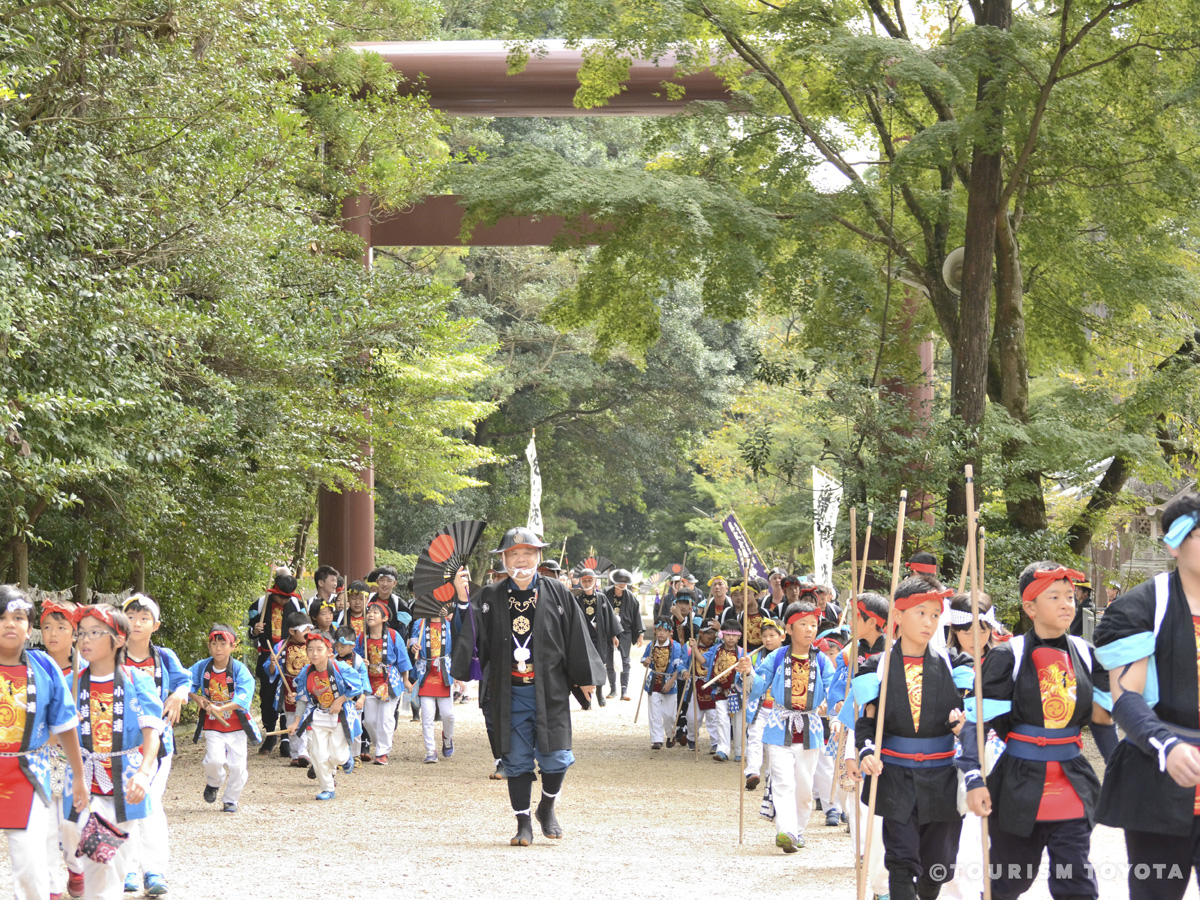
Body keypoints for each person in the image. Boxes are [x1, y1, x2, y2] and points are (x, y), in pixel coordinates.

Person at [959, 562, 1112, 900]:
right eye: (1054, 596)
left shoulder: (1087, 655)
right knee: (1011, 881)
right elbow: (978, 722)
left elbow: (1103, 720)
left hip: (1071, 780)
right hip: (1018, 783)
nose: (1066, 604)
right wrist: (973, 776)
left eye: (1070, 597)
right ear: (1029, 608)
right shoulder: (1006, 657)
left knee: (1077, 883)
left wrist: (1121, 768)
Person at [450, 526, 605, 846]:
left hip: (550, 689)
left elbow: (576, 634)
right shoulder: (491, 596)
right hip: (510, 692)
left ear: (538, 556)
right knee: (516, 760)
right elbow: (472, 635)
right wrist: (464, 602)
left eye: (528, 554)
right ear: (504, 559)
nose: (521, 560)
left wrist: (586, 678)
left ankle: (546, 807)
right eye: (514, 554)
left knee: (558, 757)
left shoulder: (558, 592)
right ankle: (523, 822)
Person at [1092, 492, 1200, 899]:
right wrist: (1166, 745)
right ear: (1173, 543)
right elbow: (1125, 697)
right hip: (1158, 780)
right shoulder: (1141, 607)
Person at [845, 577, 974, 900]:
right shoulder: (875, 668)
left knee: (938, 865)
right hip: (896, 775)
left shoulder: (957, 666)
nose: (929, 622)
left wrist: (966, 725)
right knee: (900, 860)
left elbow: (973, 714)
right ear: (898, 616)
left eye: (935, 614)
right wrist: (866, 751)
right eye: (920, 613)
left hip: (942, 775)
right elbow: (867, 722)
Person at [67, 605, 164, 900]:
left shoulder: (138, 681)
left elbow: (152, 734)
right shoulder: (73, 682)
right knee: (89, 846)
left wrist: (145, 773)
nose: (85, 640)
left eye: (95, 633)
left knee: (112, 863)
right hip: (84, 780)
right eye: (81, 633)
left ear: (119, 639)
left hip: (126, 782)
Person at [0, 588, 86, 900]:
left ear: (29, 627)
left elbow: (65, 724)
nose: (10, 624)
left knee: (29, 862)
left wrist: (78, 776)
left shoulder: (45, 667)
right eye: (2, 617)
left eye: (18, 617)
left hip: (28, 774)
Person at [742, 601, 836, 852]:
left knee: (804, 788)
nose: (809, 630)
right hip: (778, 725)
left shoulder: (823, 661)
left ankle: (799, 831)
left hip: (810, 728)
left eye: (813, 625)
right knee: (783, 781)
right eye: (803, 624)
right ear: (790, 629)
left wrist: (828, 703)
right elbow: (759, 687)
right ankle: (786, 831)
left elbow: (832, 690)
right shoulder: (777, 656)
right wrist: (749, 672)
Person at [120, 595, 191, 896]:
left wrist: (177, 695)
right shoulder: (110, 653)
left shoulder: (164, 657)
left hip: (158, 744)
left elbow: (185, 682)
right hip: (119, 746)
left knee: (149, 804)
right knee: (122, 807)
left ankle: (154, 870)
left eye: (144, 617)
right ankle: (124, 870)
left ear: (156, 625)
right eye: (131, 616)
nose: (137, 622)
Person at [36, 598, 86, 900]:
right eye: (47, 627)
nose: (53, 633)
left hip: (79, 758)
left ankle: (76, 867)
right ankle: (52, 886)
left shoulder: (88, 672)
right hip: (42, 756)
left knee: (71, 824)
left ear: (75, 632)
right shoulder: (33, 668)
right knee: (45, 827)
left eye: (61, 627)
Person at [188, 624, 260, 813]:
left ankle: (231, 800)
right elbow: (184, 683)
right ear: (209, 646)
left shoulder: (239, 669)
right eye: (214, 644)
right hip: (213, 725)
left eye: (223, 643)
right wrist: (199, 699)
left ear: (233, 646)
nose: (218, 648)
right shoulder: (202, 667)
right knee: (214, 760)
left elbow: (243, 697)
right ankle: (214, 782)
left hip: (236, 725)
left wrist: (219, 708)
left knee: (238, 767)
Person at [288, 632, 363, 800]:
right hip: (317, 715)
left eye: (319, 649)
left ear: (329, 651)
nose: (314, 654)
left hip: (339, 715)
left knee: (336, 755)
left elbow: (357, 687)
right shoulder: (305, 672)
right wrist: (296, 722)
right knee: (317, 753)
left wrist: (341, 700)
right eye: (310, 650)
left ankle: (345, 759)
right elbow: (302, 699)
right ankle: (327, 788)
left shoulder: (340, 668)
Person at [247, 569, 304, 756]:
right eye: (281, 597)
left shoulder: (297, 604)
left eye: (287, 598)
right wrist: (255, 631)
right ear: (273, 590)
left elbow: (305, 629)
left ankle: (286, 738)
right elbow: (251, 634)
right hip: (268, 655)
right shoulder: (259, 605)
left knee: (290, 694)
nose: (284, 601)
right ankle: (270, 733)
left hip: (292, 655)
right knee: (268, 696)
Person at [356, 600, 412, 765]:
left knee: (386, 718)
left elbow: (403, 659)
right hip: (369, 684)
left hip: (389, 682)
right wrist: (361, 663)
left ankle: (382, 752)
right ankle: (380, 743)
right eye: (369, 612)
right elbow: (355, 660)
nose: (370, 615)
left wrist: (406, 680)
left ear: (384, 618)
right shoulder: (362, 637)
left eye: (375, 612)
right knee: (369, 721)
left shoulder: (394, 636)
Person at [410, 588, 462, 763]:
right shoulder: (420, 623)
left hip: (444, 671)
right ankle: (430, 749)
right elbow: (412, 641)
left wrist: (459, 674)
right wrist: (413, 647)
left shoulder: (449, 624)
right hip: (425, 670)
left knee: (449, 714)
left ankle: (447, 738)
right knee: (427, 714)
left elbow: (457, 649)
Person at [743, 616, 783, 790]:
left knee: (775, 744)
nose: (767, 639)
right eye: (764, 635)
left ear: (782, 636)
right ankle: (752, 772)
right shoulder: (754, 657)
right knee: (754, 739)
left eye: (772, 635)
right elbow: (745, 682)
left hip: (780, 709)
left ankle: (771, 774)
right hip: (759, 707)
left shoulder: (787, 656)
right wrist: (745, 671)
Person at [269, 612, 312, 768]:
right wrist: (273, 665)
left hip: (309, 686)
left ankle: (305, 752)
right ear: (292, 631)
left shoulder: (313, 644)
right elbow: (272, 671)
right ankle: (296, 754)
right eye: (303, 629)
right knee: (292, 720)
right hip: (289, 687)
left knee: (309, 720)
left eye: (309, 628)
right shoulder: (281, 647)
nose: (307, 632)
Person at [574, 568, 619, 707]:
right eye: (584, 580)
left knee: (600, 665)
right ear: (581, 582)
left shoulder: (602, 598)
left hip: (600, 638)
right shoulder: (577, 599)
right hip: (584, 638)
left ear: (595, 581)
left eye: (590, 580)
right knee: (585, 665)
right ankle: (586, 698)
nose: (587, 582)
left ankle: (599, 692)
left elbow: (610, 618)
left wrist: (614, 635)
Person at [641, 618, 688, 749]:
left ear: (670, 632)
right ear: (655, 630)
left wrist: (671, 682)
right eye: (659, 630)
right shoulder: (651, 645)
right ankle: (656, 740)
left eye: (664, 631)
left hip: (669, 681)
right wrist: (647, 661)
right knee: (654, 712)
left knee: (669, 714)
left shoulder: (675, 646)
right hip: (654, 681)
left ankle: (670, 735)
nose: (661, 633)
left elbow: (678, 666)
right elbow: (645, 662)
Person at [705, 622, 746, 762]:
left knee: (738, 722)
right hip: (720, 690)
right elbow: (704, 661)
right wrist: (694, 649)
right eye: (728, 634)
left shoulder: (742, 652)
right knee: (722, 720)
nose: (730, 638)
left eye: (734, 635)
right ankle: (723, 750)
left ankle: (740, 751)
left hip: (737, 692)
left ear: (739, 637)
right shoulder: (716, 649)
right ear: (722, 634)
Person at [606, 569, 643, 700]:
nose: (622, 584)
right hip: (609, 631)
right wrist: (612, 633)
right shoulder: (605, 594)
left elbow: (637, 616)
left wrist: (640, 633)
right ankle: (613, 689)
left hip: (626, 632)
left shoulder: (631, 597)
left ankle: (624, 691)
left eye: (625, 582)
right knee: (610, 660)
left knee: (625, 660)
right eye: (619, 582)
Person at [333, 626, 368, 764]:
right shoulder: (333, 660)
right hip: (338, 700)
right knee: (339, 729)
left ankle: (355, 755)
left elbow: (364, 680)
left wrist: (362, 697)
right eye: (337, 646)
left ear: (352, 646)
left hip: (354, 700)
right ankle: (341, 757)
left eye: (342, 646)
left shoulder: (358, 661)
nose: (339, 649)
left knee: (355, 727)